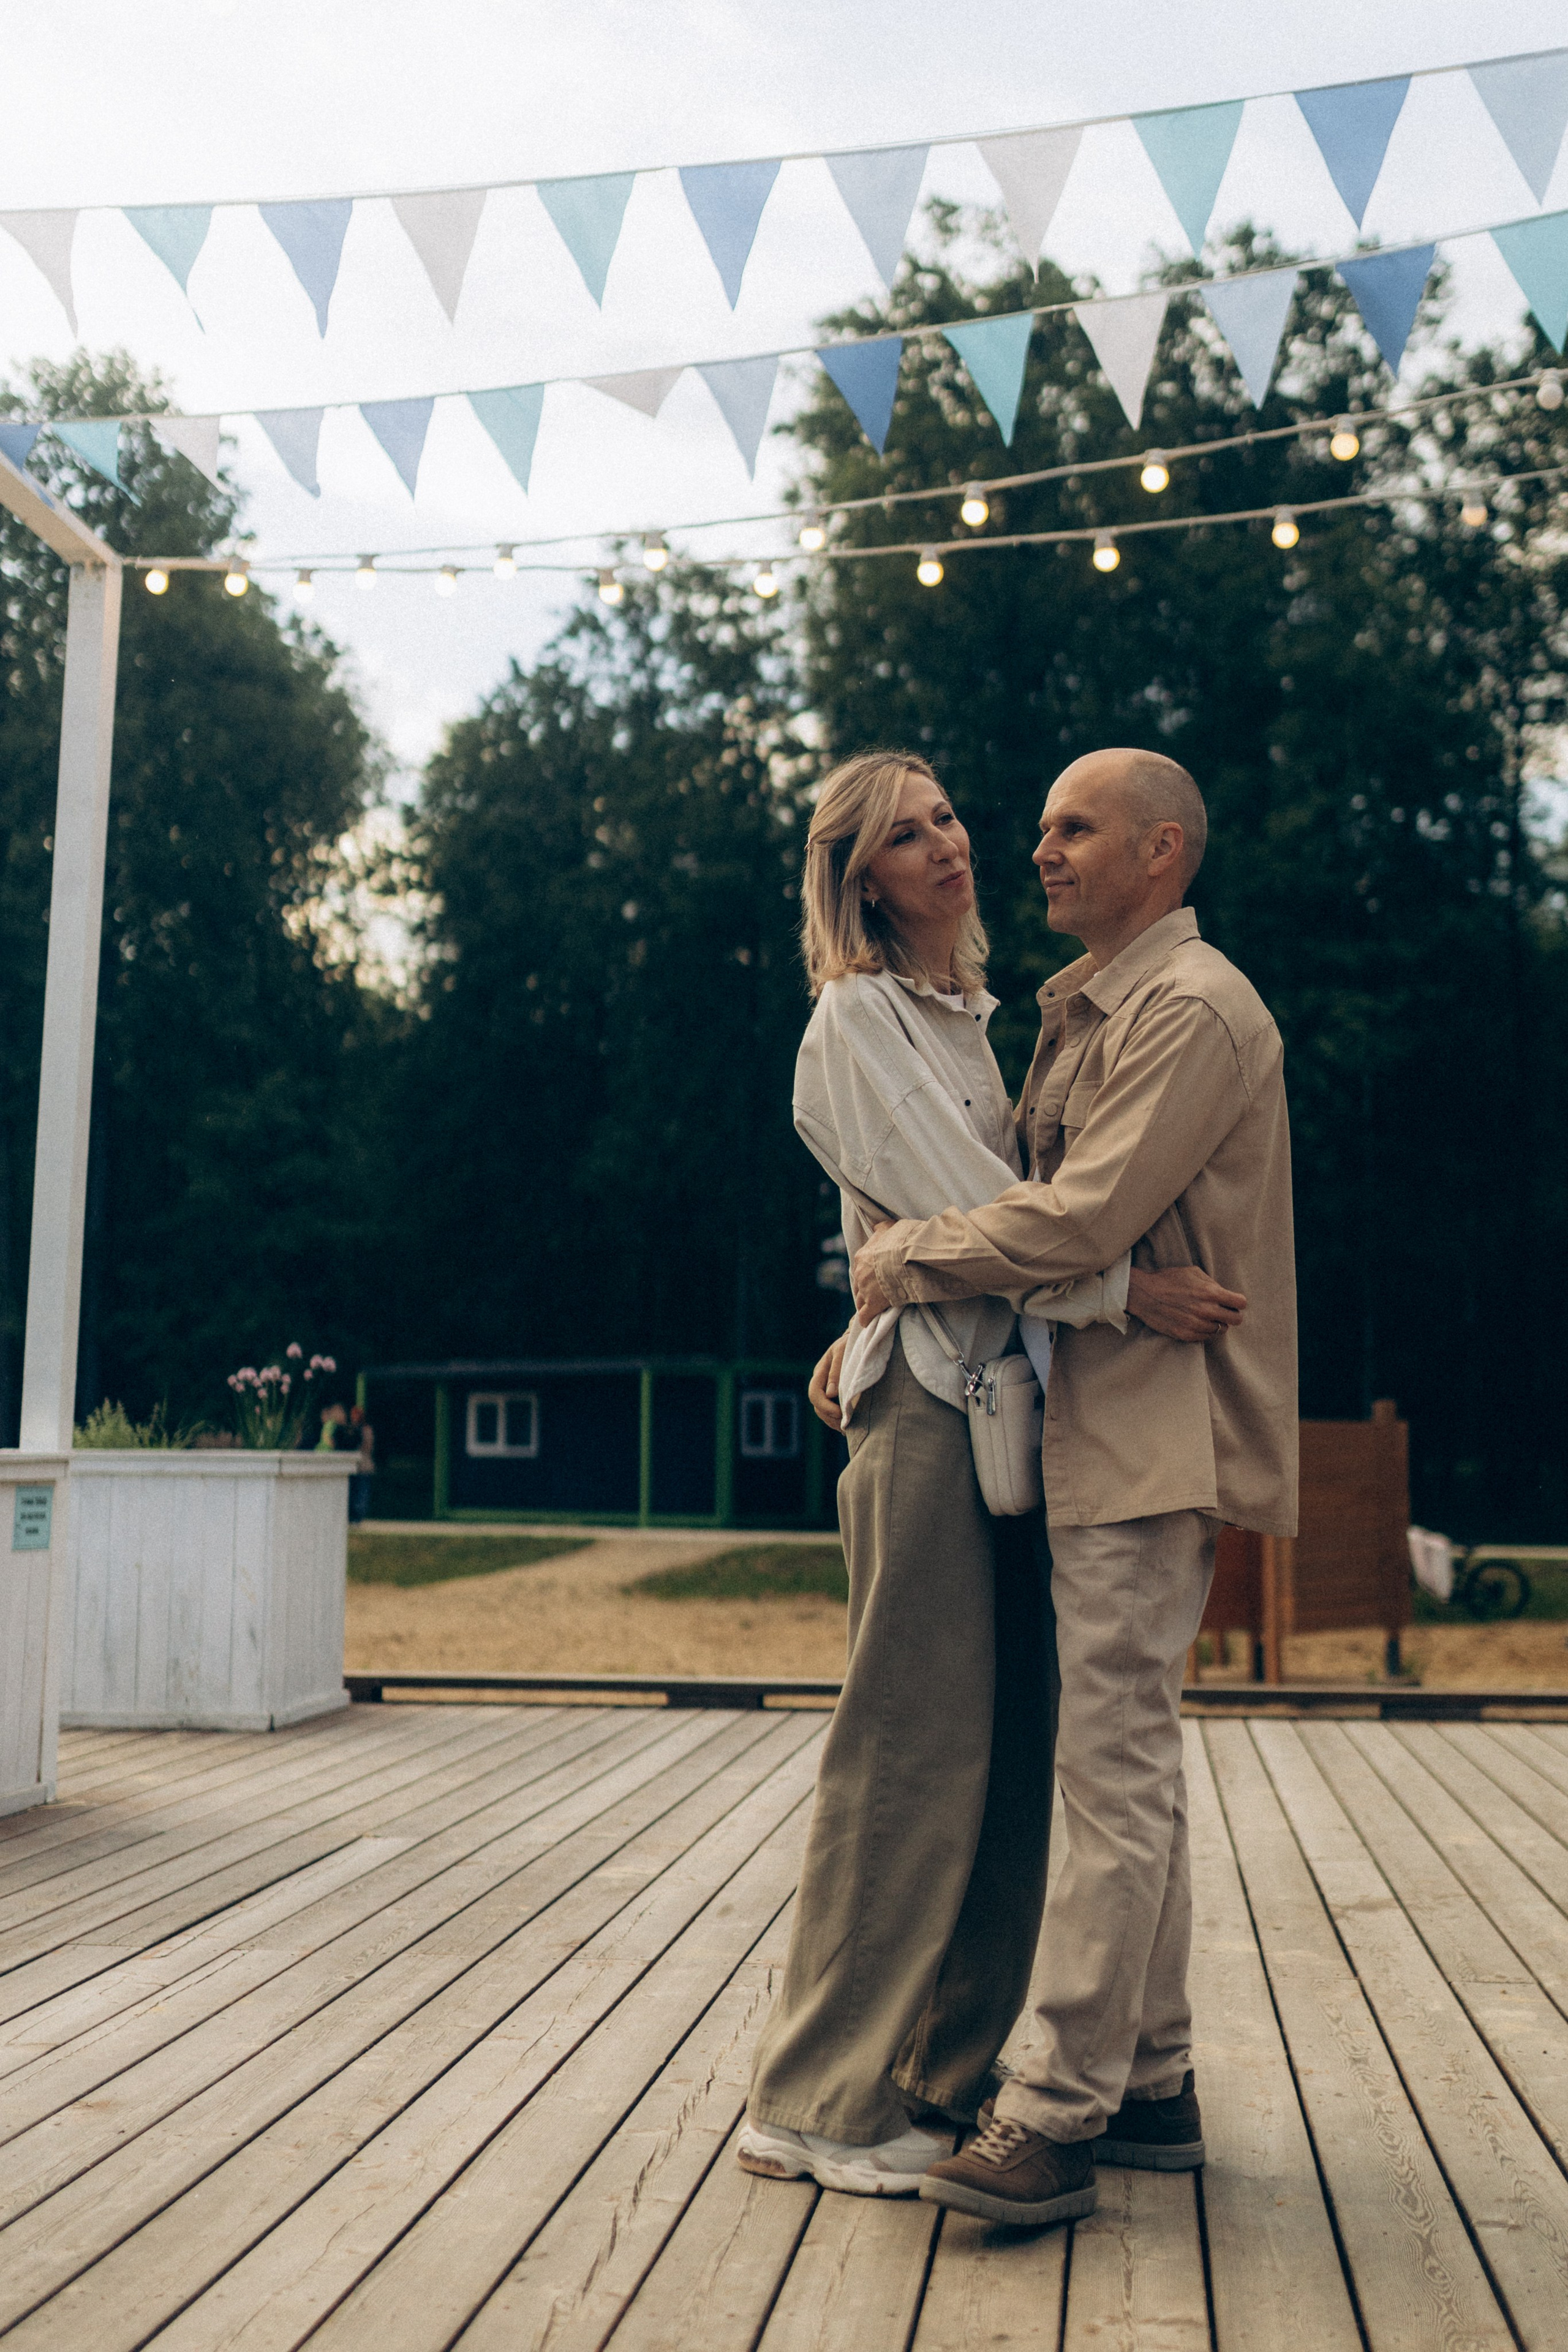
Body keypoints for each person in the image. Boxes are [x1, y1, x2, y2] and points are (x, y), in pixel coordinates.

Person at [737, 750, 1235, 2200]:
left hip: (999, 1419)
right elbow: (980, 1217)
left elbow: (951, 1238)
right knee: (907, 1756)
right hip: (925, 1421)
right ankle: (813, 2102)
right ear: (861, 883)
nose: (949, 845)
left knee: (1011, 1760)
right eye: (905, 838)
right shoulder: (855, 1017)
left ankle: (931, 2082)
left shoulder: (971, 1020)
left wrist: (892, 1285)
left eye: (947, 817)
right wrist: (1124, 1296)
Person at [850, 747, 1296, 2229]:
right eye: (1038, 827)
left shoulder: (1190, 1009)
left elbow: (1080, 1215)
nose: (1037, 850)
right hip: (1096, 1423)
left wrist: (900, 1260)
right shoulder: (1089, 1005)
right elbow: (1066, 1224)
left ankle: (1050, 2111)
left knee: (1109, 1772)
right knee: (1123, 1763)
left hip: (1149, 1437)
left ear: (1161, 852)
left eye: (1075, 829)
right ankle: (1152, 2081)